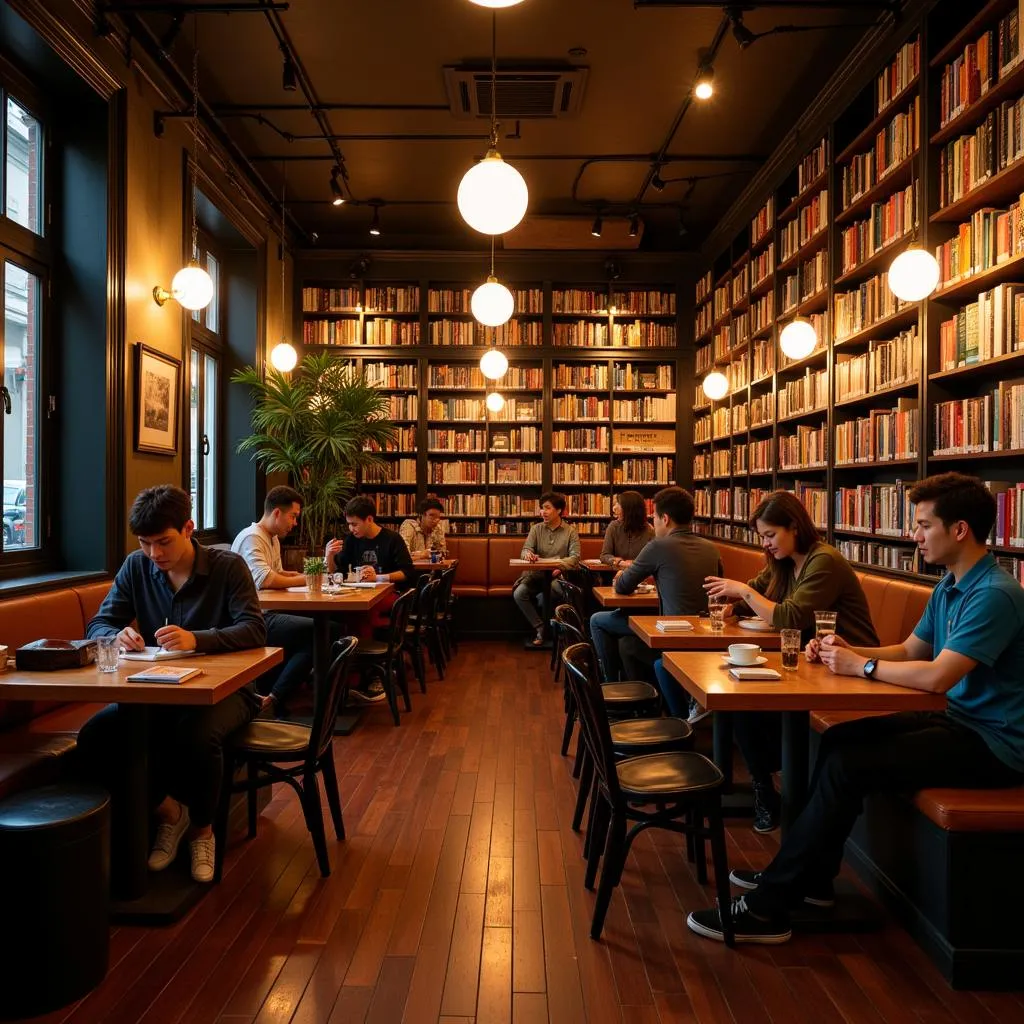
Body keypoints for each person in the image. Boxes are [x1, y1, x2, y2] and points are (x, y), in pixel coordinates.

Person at [688, 472, 1024, 945]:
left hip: (996, 743)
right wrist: (843, 651)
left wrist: (861, 666)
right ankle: (813, 883)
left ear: (960, 530)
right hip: (961, 721)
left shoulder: (993, 595)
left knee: (851, 761)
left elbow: (936, 676)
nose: (915, 535)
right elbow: (910, 650)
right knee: (842, 738)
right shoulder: (952, 586)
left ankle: (771, 907)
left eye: (924, 525)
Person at [79, 485, 266, 884]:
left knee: (196, 733)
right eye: (145, 543)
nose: (154, 554)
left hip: (232, 691)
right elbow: (98, 622)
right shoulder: (136, 567)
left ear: (188, 528)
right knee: (95, 736)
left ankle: (202, 830)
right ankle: (170, 813)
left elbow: (254, 630)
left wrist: (198, 639)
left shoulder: (228, 566)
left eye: (163, 542)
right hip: (158, 690)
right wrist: (115, 635)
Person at [703, 490, 878, 833]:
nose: (766, 544)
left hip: (852, 667)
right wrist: (733, 605)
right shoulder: (785, 562)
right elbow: (758, 587)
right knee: (741, 700)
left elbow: (790, 617)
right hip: (814, 663)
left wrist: (744, 594)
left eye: (770, 535)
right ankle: (764, 789)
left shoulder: (822, 560)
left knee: (747, 703)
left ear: (794, 527)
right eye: (762, 537)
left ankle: (775, 791)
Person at [590, 486, 721, 687]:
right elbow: (719, 593)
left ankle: (610, 686)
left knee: (597, 620)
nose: (653, 522)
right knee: (628, 645)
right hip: (708, 635)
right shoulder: (711, 548)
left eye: (655, 518)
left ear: (665, 519)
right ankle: (646, 696)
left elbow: (623, 587)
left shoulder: (658, 546)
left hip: (671, 633)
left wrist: (623, 572)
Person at [231, 485, 314, 719]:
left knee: (326, 626)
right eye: (293, 516)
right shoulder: (251, 538)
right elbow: (266, 579)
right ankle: (273, 699)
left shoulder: (272, 538)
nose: (295, 523)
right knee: (320, 632)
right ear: (277, 513)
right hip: (254, 619)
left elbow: (280, 573)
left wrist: (305, 578)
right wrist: (310, 579)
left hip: (269, 611)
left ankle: (274, 695)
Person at [514, 492, 581, 648]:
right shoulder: (536, 529)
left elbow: (575, 558)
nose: (542, 512)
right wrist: (528, 555)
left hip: (558, 577)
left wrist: (559, 565)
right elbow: (525, 550)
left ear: (558, 510)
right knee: (519, 593)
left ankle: (555, 631)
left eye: (547, 508)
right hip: (536, 575)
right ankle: (540, 627)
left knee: (551, 590)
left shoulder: (570, 532)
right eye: (541, 508)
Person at [326, 495, 414, 586]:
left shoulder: (393, 539)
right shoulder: (351, 540)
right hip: (358, 594)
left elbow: (407, 573)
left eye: (354, 524)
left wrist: (377, 578)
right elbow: (339, 575)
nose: (351, 529)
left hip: (387, 594)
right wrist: (329, 556)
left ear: (369, 519)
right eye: (349, 524)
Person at [599, 490, 654, 568]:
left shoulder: (649, 530)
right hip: (614, 573)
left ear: (630, 510)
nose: (614, 508)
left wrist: (634, 563)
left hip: (640, 575)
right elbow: (604, 555)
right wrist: (621, 562)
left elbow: (653, 559)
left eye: (619, 504)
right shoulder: (613, 526)